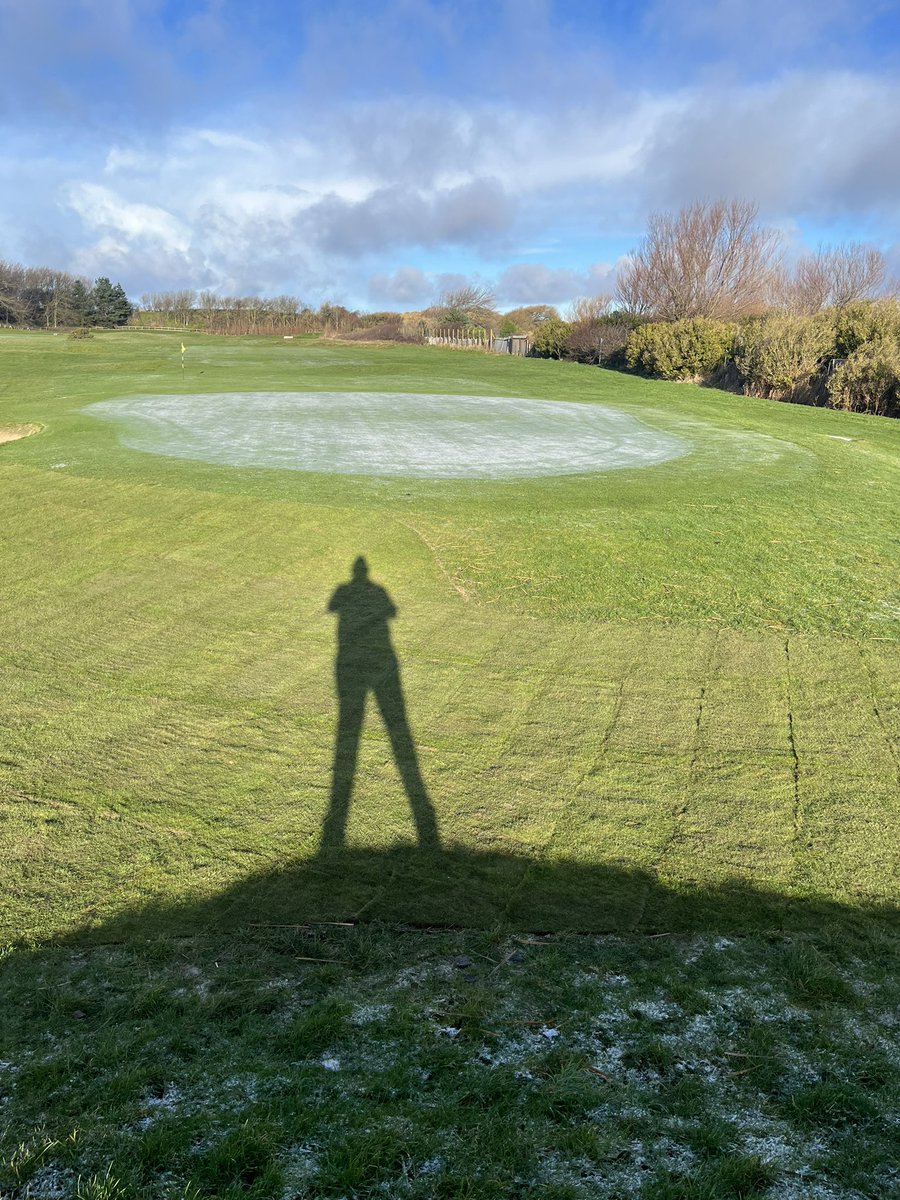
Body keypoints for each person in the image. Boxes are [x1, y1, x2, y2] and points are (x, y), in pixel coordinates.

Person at [320, 557, 440, 851]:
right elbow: (391, 611)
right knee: (389, 722)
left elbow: (333, 608)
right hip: (375, 657)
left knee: (352, 721)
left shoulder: (345, 589)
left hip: (352, 659)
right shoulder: (375, 590)